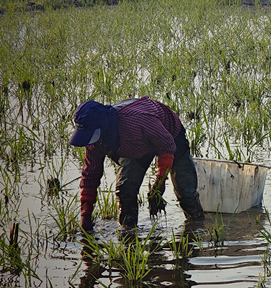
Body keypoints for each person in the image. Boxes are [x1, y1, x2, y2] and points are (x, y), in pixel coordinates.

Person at [69, 96, 205, 229]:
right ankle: (129, 232)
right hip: (135, 146)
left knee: (185, 191)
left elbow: (167, 145)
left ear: (104, 126)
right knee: (125, 191)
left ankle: (197, 227)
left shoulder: (137, 121)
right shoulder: (95, 140)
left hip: (170, 136)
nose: (92, 141)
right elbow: (90, 175)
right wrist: (85, 215)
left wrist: (160, 182)